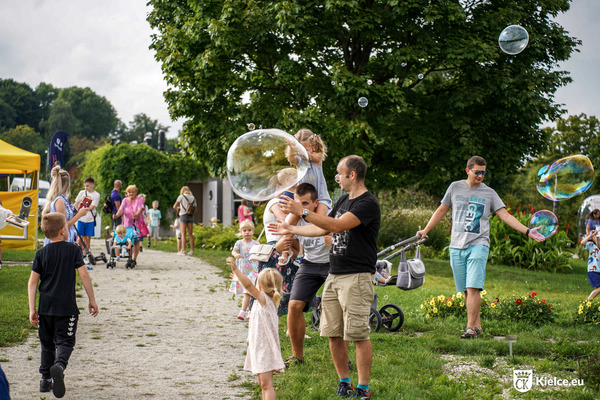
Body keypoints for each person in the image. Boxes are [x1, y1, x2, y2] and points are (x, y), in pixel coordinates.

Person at [271, 155, 380, 399]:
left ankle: (363, 387)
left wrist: (304, 212)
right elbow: (323, 227)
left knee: (358, 334)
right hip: (335, 273)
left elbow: (337, 226)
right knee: (333, 332)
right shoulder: (343, 200)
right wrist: (292, 228)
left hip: (357, 275)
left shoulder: (367, 203)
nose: (336, 178)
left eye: (339, 173)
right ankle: (345, 382)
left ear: (352, 175)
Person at [416, 155, 545, 340]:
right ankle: (477, 326)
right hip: (456, 245)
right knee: (465, 290)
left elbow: (505, 215)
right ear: (468, 170)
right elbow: (442, 210)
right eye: (477, 172)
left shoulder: (489, 193)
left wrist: (528, 231)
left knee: (473, 287)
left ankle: (470, 328)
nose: (481, 176)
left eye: (483, 173)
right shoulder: (454, 187)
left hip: (478, 244)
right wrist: (426, 230)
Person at [28, 212, 99, 398]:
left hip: (45, 307)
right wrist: (91, 299)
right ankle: (58, 366)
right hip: (66, 308)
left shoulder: (41, 253)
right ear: (62, 231)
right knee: (65, 341)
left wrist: (32, 309)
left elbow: (32, 282)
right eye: (67, 228)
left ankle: (45, 380)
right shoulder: (73, 249)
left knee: (47, 344)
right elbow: (84, 275)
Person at [285, 183, 331, 367]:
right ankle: (297, 357)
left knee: (334, 309)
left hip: (333, 264)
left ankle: (343, 359)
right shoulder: (295, 220)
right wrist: (286, 249)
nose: (300, 207)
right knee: (294, 305)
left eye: (305, 203)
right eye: (297, 203)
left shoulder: (327, 215)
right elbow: (295, 247)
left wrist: (333, 241)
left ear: (315, 203)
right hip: (309, 264)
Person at [227, 257, 285, 400]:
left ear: (261, 285)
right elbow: (249, 286)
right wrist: (238, 279)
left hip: (264, 349)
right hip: (260, 347)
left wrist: (236, 270)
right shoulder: (268, 299)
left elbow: (249, 286)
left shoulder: (264, 299)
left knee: (266, 385)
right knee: (263, 384)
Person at [42, 166, 89, 246]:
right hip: (60, 243)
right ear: (67, 185)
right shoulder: (60, 201)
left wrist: (75, 207)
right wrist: (79, 215)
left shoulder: (61, 199)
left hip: (62, 241)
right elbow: (64, 225)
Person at [294, 128, 332, 215]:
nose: (301, 152)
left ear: (314, 146)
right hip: (301, 198)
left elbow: (311, 157)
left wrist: (301, 151)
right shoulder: (300, 160)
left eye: (305, 149)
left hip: (321, 197)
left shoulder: (317, 157)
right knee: (291, 221)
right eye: (299, 149)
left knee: (319, 220)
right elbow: (291, 159)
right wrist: (291, 147)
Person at [229, 220, 260, 320]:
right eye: (244, 230)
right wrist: (236, 254)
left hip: (253, 270)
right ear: (241, 232)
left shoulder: (256, 243)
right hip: (243, 270)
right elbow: (234, 251)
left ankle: (245, 311)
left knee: (249, 290)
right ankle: (248, 310)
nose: (247, 232)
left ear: (253, 231)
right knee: (247, 291)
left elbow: (259, 253)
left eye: (249, 230)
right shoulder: (239, 243)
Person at [113, 185, 145, 268]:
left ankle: (134, 259)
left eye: (132, 192)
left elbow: (141, 208)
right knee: (128, 241)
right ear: (127, 193)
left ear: (136, 192)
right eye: (129, 192)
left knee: (136, 242)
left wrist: (137, 214)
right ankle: (129, 257)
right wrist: (116, 215)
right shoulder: (125, 200)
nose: (131, 193)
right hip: (127, 224)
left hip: (136, 224)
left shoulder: (139, 199)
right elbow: (121, 209)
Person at [74, 177, 101, 263]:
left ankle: (85, 255)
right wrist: (74, 210)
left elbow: (91, 207)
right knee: (79, 238)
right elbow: (76, 203)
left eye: (88, 186)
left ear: (92, 185)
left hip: (90, 219)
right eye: (85, 186)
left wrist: (82, 208)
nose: (86, 188)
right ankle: (77, 255)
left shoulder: (96, 195)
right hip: (81, 218)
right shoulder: (82, 192)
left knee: (88, 238)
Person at [173, 186, 196, 255]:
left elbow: (174, 206)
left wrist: (180, 208)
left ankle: (183, 250)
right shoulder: (193, 198)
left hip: (183, 216)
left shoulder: (181, 196)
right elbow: (195, 210)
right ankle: (192, 251)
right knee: (190, 234)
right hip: (191, 216)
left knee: (183, 233)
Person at [580, 229, 600, 301]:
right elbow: (582, 242)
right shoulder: (591, 245)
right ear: (593, 238)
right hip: (593, 270)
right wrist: (590, 235)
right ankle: (587, 301)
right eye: (596, 237)